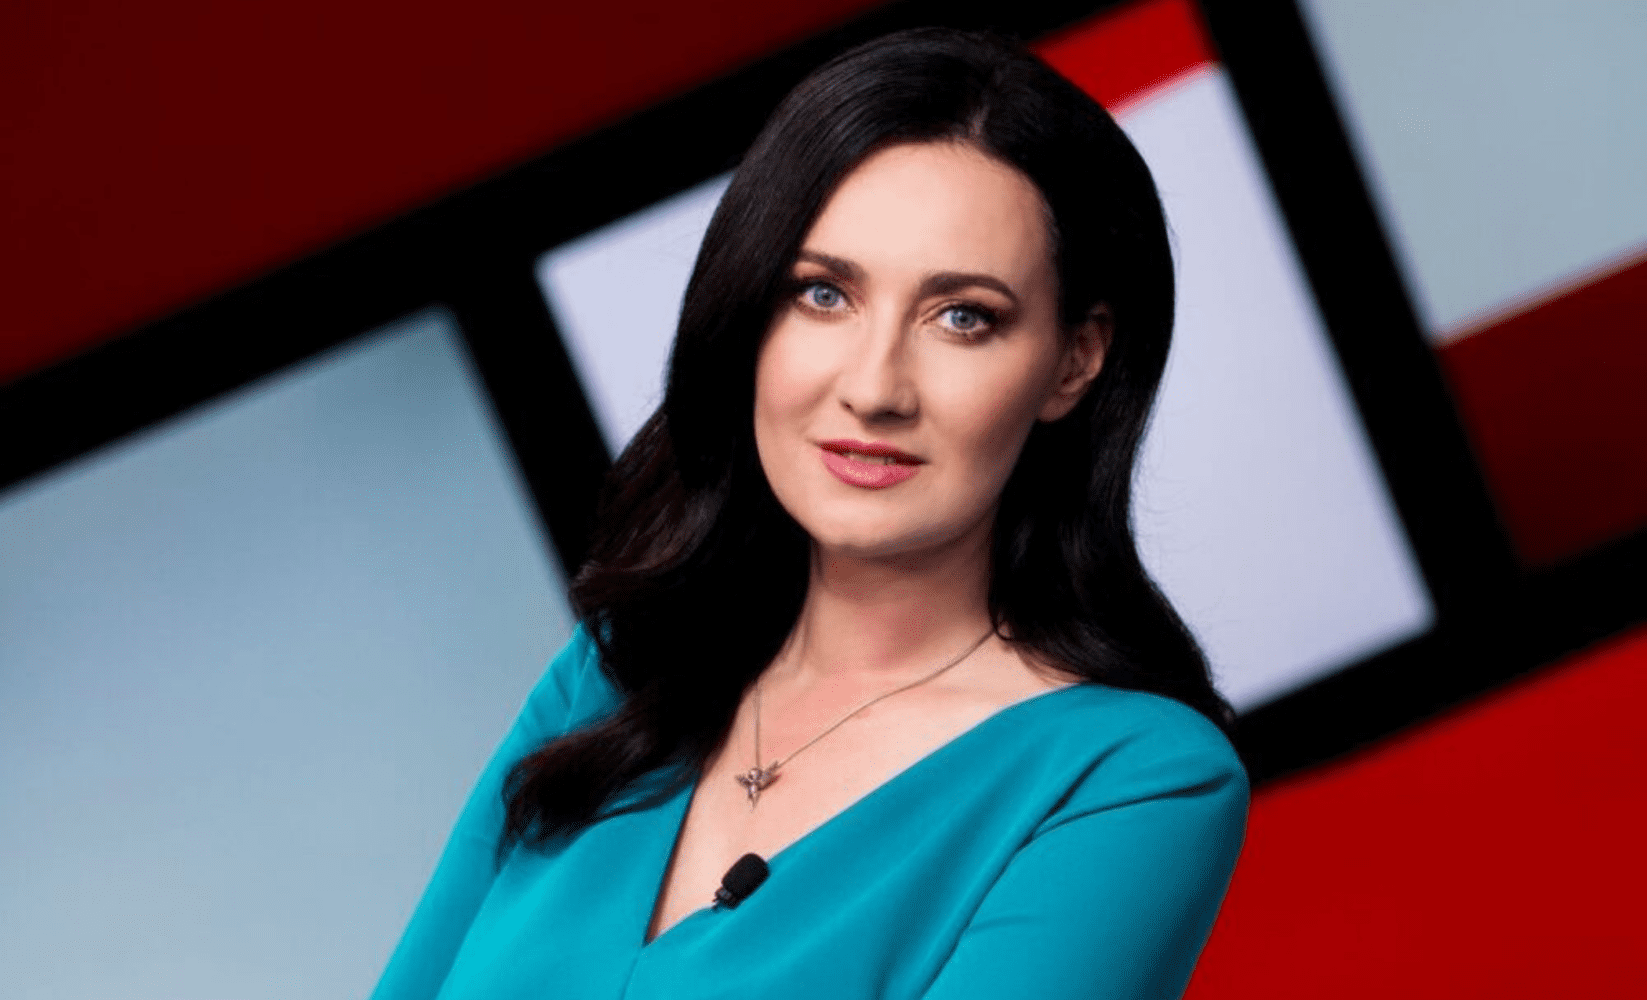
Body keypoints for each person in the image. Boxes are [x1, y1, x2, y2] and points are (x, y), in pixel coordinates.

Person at [372, 27, 1246, 1000]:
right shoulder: (617, 674)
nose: (873, 389)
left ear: (1073, 361)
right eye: (823, 294)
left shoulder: (1130, 778)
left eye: (963, 317)